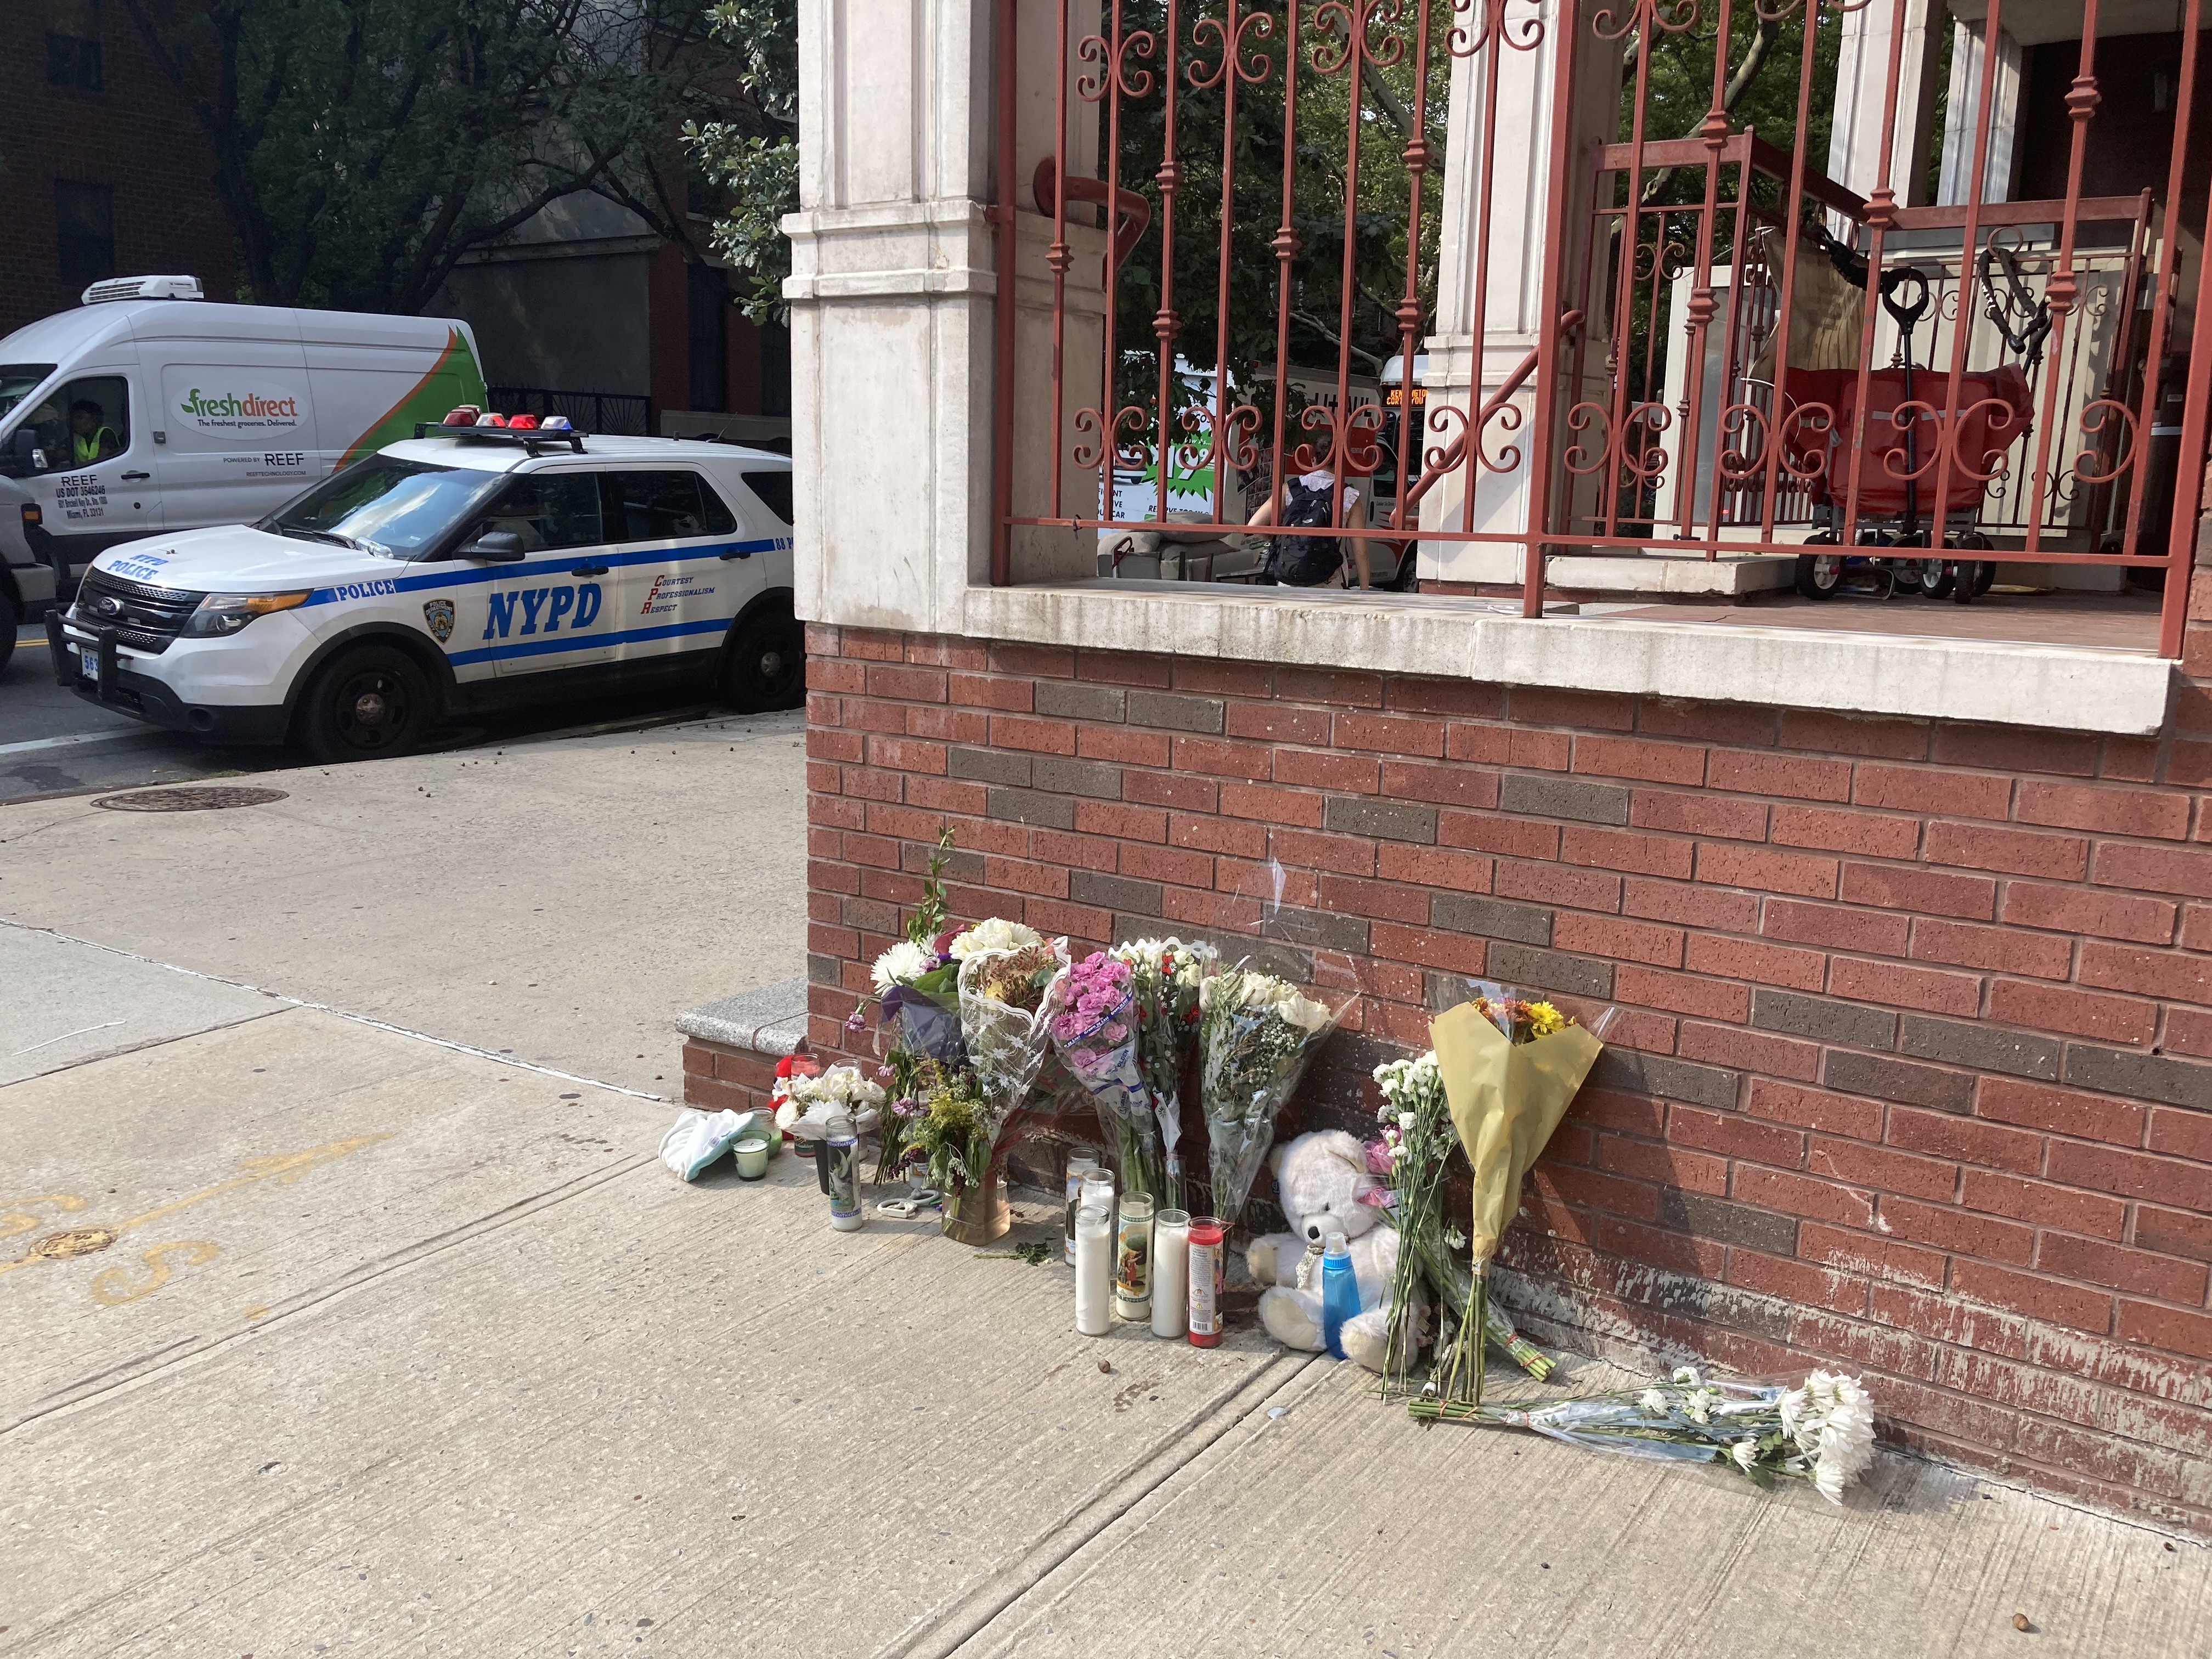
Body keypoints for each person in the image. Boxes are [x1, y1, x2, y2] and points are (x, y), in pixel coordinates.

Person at [1245, 463, 1373, 589]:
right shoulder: (1348, 495)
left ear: (1312, 459)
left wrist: (1278, 540)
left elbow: (1254, 525)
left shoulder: (1290, 488)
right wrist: (1365, 591)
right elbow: (1361, 551)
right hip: (1329, 583)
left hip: (1289, 582)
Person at [69, 399, 120, 467]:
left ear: (94, 419)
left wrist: (79, 468)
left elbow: (103, 461)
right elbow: (61, 454)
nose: (75, 422)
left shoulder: (106, 433)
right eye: (73, 418)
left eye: (79, 417)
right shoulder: (76, 438)